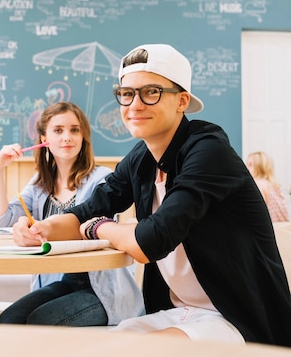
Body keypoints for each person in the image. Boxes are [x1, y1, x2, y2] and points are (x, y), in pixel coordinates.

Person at [15, 44, 291, 346]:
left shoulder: (209, 151)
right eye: (127, 93)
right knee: (104, 347)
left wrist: (97, 227)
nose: (134, 104)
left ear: (182, 101)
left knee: (139, 349)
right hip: (182, 312)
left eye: (151, 92)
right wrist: (42, 230)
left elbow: (150, 241)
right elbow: (87, 210)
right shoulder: (141, 159)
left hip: (239, 318)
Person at [0, 101, 144, 326]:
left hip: (103, 289)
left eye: (74, 130)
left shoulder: (103, 180)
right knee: (9, 319)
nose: (67, 137)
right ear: (44, 140)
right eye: (58, 130)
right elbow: (3, 220)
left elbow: (103, 235)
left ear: (83, 137)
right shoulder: (39, 185)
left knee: (39, 321)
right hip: (64, 281)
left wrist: (45, 228)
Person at [246, 151, 289, 222]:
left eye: (250, 165)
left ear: (260, 167)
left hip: (272, 229)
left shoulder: (258, 184)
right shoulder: (274, 186)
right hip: (284, 229)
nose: (246, 168)